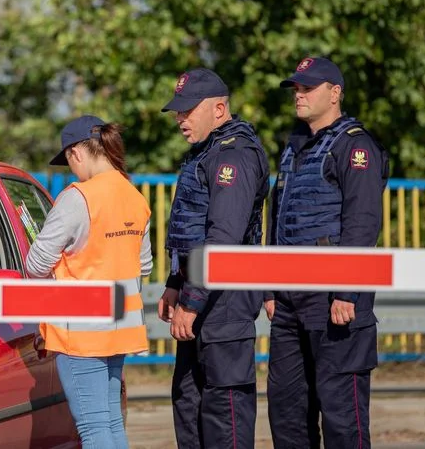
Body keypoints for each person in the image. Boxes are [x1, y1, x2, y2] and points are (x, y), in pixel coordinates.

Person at [266, 57, 389, 449]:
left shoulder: (356, 147)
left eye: (307, 88)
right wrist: (268, 287)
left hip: (334, 301)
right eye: (296, 89)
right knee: (288, 415)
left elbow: (362, 222)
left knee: (342, 420)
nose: (298, 95)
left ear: (334, 93)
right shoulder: (295, 145)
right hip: (288, 301)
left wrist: (345, 290)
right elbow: (277, 217)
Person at [157, 68, 270, 449]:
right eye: (177, 112)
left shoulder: (234, 155)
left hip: (224, 302)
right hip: (199, 296)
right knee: (189, 407)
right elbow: (189, 229)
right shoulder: (205, 153)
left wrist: (191, 299)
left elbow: (222, 238)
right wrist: (176, 284)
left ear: (219, 109)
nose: (180, 120)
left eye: (188, 111)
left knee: (224, 417)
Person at [26, 115, 153, 449]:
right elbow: (144, 265)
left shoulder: (77, 198)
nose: (71, 171)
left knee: (93, 429)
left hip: (80, 333)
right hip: (119, 328)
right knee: (111, 421)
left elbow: (36, 264)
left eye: (68, 162)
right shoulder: (134, 197)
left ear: (76, 154)